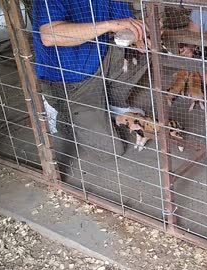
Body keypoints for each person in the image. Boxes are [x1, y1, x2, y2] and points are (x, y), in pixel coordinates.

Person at [33, 1, 148, 185]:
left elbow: (124, 21)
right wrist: (110, 25)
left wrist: (140, 33)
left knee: (148, 49)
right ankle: (65, 117)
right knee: (111, 150)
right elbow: (48, 35)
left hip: (98, 59)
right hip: (70, 79)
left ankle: (112, 106)